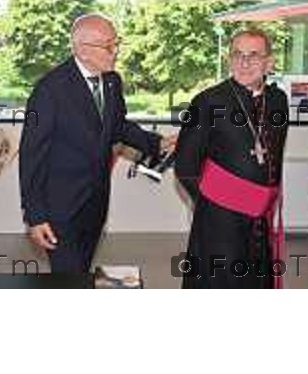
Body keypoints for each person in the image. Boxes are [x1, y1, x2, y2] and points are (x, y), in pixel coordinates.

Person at [19, 14, 176, 274]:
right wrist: (35, 216)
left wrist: (157, 143)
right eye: (108, 46)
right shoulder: (49, 90)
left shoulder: (112, 81)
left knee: (82, 270)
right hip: (60, 208)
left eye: (117, 43)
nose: (115, 53)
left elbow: (118, 126)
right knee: (67, 278)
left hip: (96, 203)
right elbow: (31, 156)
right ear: (82, 49)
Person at [174, 29, 289, 289]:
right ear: (229, 60)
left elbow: (273, 155)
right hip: (220, 217)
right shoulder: (206, 101)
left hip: (261, 216)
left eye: (254, 55)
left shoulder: (278, 101)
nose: (244, 62)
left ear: (269, 62)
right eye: (237, 54)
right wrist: (211, 207)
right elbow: (185, 166)